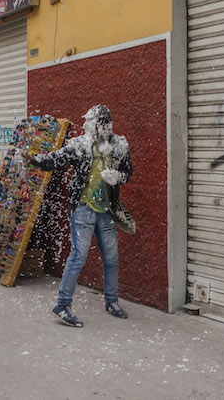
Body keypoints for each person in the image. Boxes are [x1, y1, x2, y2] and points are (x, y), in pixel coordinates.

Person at [27, 105, 133, 328]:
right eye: (88, 124)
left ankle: (111, 301)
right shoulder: (81, 145)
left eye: (92, 123)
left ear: (103, 125)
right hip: (83, 208)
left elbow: (127, 172)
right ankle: (63, 305)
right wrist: (34, 159)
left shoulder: (118, 146)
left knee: (112, 258)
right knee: (78, 257)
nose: (87, 127)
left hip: (106, 210)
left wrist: (117, 176)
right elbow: (55, 159)